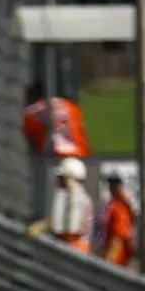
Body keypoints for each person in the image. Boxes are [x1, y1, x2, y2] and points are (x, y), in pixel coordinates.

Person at [23, 80, 90, 241]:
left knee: (58, 207)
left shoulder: (33, 110)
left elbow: (30, 136)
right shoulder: (70, 106)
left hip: (56, 158)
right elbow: (81, 130)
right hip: (79, 156)